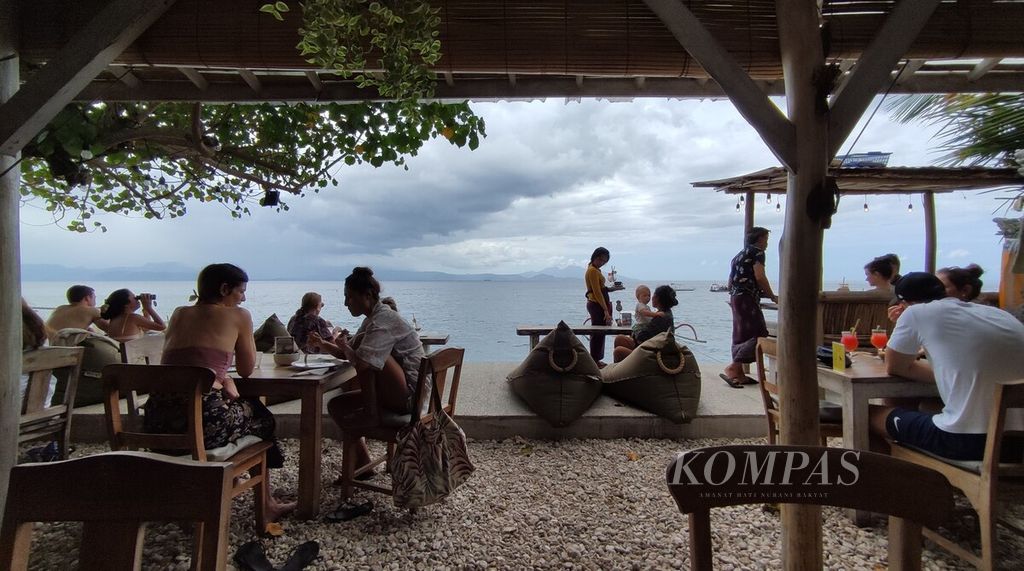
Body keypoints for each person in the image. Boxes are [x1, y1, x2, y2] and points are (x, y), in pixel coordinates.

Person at [143, 263, 294, 521]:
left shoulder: (179, 313)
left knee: (241, 407)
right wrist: (223, 376)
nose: (243, 298)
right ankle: (265, 503)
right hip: (204, 426)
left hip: (156, 422)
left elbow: (183, 365)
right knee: (262, 417)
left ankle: (229, 483)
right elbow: (246, 369)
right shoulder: (239, 316)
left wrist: (220, 379)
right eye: (241, 292)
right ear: (225, 289)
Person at [869, 272, 1024, 461]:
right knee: (924, 406)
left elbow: (895, 367)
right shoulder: (998, 314)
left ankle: (891, 484)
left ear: (904, 303)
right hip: (1017, 444)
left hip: (967, 442)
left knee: (869, 415)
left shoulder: (916, 312)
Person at [309, 267, 425, 473]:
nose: (346, 303)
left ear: (368, 295)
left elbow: (362, 363)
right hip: (397, 392)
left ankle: (371, 414)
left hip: (411, 397)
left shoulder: (383, 321)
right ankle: (363, 464)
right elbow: (348, 353)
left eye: (350, 298)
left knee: (372, 358)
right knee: (337, 406)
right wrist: (323, 343)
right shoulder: (371, 320)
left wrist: (349, 349)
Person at [723, 227, 778, 389]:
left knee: (740, 333)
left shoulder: (738, 256)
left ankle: (739, 372)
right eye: (766, 239)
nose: (767, 243)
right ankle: (734, 365)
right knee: (759, 332)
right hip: (747, 298)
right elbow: (760, 276)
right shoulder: (757, 253)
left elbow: (729, 283)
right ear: (759, 239)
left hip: (736, 298)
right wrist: (772, 295)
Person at [612, 285, 678, 362]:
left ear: (657, 298)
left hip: (652, 356)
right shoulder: (665, 313)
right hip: (649, 348)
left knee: (618, 351)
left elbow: (642, 338)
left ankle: (622, 372)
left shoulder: (660, 317)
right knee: (619, 339)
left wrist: (636, 336)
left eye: (652, 295)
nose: (650, 298)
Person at [584, 247, 623, 367]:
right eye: (600, 259)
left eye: (604, 261)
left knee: (600, 333)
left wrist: (612, 289)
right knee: (597, 332)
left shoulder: (595, 270)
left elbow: (601, 289)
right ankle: (594, 360)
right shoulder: (592, 271)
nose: (601, 263)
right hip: (596, 304)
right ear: (595, 256)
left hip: (598, 303)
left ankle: (596, 359)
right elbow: (596, 292)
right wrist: (606, 310)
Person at [100, 289, 165, 342]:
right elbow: (162, 326)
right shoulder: (133, 317)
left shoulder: (115, 318)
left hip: (122, 354)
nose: (138, 299)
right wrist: (149, 308)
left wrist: (146, 310)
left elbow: (146, 328)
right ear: (126, 304)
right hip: (131, 356)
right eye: (135, 298)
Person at [45, 285, 109, 334]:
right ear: (87, 298)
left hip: (50, 346)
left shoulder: (60, 308)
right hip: (67, 349)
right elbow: (110, 330)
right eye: (94, 297)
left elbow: (67, 326)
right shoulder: (91, 310)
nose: (95, 300)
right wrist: (107, 314)